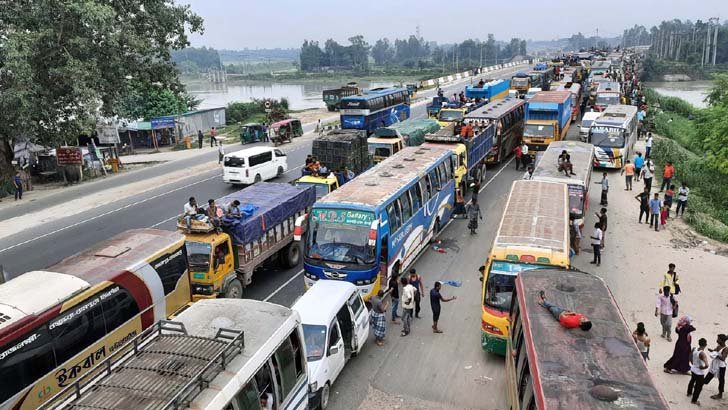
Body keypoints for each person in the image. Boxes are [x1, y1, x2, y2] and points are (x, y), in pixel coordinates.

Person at [704, 334, 728, 400]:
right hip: (715, 364)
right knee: (709, 374)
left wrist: (716, 355)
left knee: (721, 380)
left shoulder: (725, 349)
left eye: (718, 339)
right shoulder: (719, 346)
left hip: (721, 366)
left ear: (722, 341)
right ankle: (701, 384)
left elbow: (723, 358)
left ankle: (720, 394)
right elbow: (715, 351)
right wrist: (712, 351)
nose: (717, 340)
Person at [687, 338, 709, 405]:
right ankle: (694, 400)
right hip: (699, 372)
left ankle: (689, 393)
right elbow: (707, 365)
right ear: (705, 345)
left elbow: (690, 357)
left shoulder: (694, 349)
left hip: (693, 368)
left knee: (692, 380)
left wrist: (693, 363)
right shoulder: (702, 354)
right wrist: (702, 367)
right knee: (698, 386)